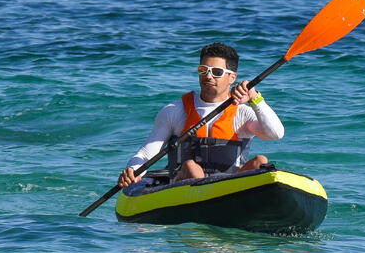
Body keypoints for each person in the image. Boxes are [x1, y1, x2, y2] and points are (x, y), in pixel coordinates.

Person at [117, 42, 284, 188]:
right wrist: (132, 170)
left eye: (217, 72)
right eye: (203, 70)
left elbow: (276, 134)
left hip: (230, 186)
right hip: (183, 184)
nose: (208, 76)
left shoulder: (242, 113)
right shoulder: (175, 110)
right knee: (191, 167)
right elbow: (147, 153)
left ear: (232, 77)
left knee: (261, 161)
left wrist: (255, 99)